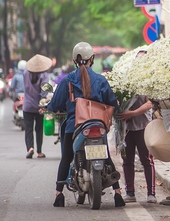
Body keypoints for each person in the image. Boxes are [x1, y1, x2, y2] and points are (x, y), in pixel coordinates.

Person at [47, 42, 125, 208]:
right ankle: (118, 193)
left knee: (67, 157)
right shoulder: (101, 80)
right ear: (92, 59)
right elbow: (112, 102)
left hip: (74, 127)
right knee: (107, 157)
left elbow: (54, 105)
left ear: (75, 60)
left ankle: (59, 194)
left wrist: (51, 107)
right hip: (99, 125)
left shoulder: (67, 81)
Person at [115, 50, 156, 204]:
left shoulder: (149, 80)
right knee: (127, 160)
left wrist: (132, 113)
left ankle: (151, 193)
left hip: (143, 126)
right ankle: (130, 192)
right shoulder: (126, 80)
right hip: (126, 127)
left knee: (147, 159)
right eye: (138, 59)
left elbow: (150, 102)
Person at [23, 54, 52, 159]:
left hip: (27, 105)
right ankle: (39, 152)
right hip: (39, 106)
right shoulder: (44, 75)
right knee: (39, 129)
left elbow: (25, 88)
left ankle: (30, 148)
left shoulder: (25, 73)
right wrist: (42, 105)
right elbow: (44, 92)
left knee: (28, 128)